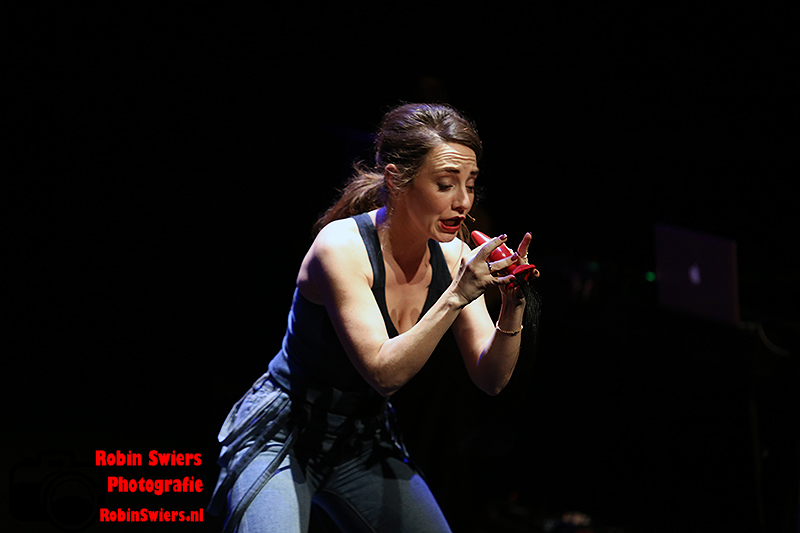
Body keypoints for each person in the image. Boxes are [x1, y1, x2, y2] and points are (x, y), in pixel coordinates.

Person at [208, 103, 538, 533]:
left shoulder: (453, 254)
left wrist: (512, 304)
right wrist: (456, 295)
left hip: (362, 441)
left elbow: (491, 378)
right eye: (445, 184)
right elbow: (384, 374)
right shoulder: (341, 247)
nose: (463, 202)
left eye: (470, 185)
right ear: (396, 180)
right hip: (285, 434)